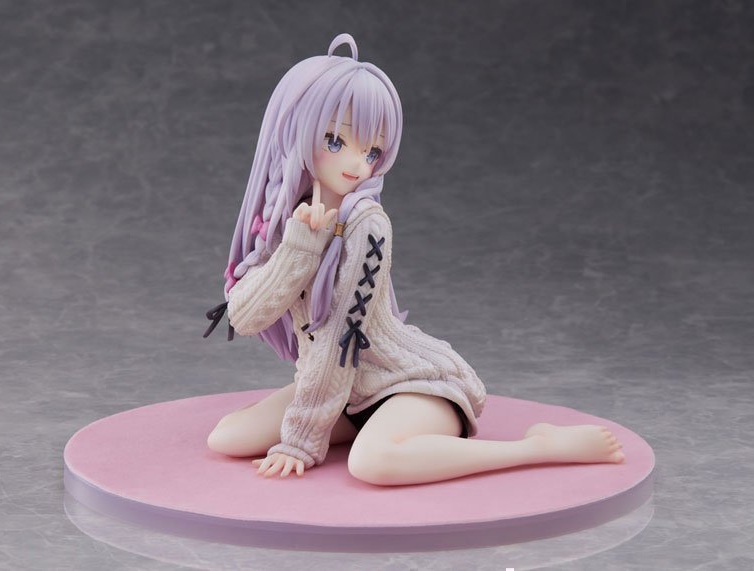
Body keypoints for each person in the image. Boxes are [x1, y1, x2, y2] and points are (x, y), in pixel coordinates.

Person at [203, 33, 625, 486]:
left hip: (413, 381)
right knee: (227, 437)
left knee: (373, 463)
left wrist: (301, 440)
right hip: (351, 392)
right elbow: (245, 316)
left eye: (372, 151)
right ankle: (360, 424)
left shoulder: (367, 224)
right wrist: (300, 245)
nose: (357, 165)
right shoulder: (287, 220)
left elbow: (340, 338)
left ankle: (538, 446)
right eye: (336, 140)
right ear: (294, 131)